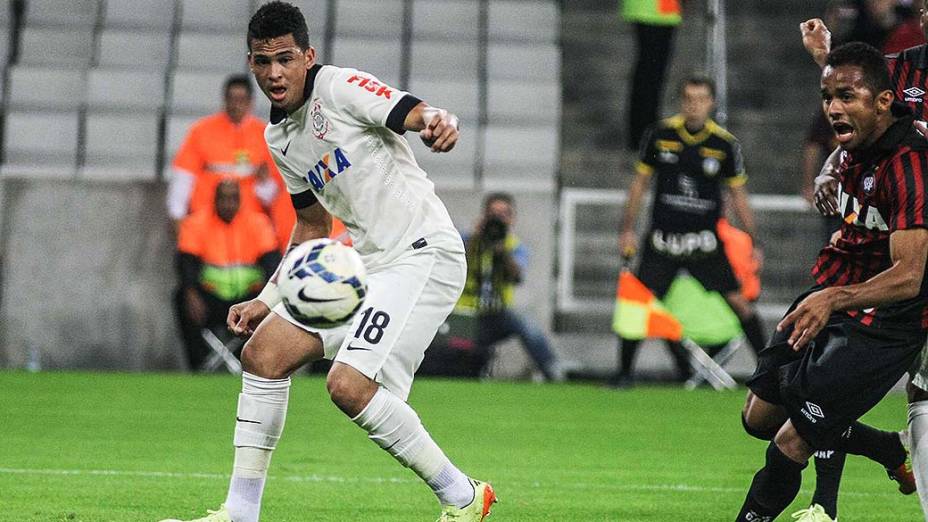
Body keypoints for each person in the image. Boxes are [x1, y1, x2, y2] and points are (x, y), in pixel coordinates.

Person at [159, 3, 496, 522]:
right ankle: (240, 513)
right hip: (366, 263)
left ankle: (465, 497)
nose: (274, 72)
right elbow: (312, 226)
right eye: (263, 61)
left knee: (348, 386)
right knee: (262, 355)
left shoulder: (339, 87)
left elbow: (412, 111)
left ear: (307, 56)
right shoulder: (278, 138)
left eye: (285, 59)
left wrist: (436, 120)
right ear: (251, 63)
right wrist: (267, 299)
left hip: (421, 253)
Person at [736, 41, 928, 522]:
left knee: (791, 440)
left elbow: (909, 276)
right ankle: (885, 448)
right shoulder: (853, 149)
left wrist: (834, 299)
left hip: (884, 321)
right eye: (827, 98)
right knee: (758, 419)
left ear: (882, 102)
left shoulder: (908, 164)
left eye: (846, 97)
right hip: (835, 294)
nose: (833, 109)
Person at [799, 13, 928, 520]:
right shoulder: (902, 73)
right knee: (917, 386)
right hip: (905, 244)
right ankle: (826, 502)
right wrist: (834, 168)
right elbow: (854, 98)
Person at [611, 74, 768, 387]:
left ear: (711, 103)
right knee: (639, 300)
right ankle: (624, 372)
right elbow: (640, 184)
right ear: (681, 102)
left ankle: (770, 372)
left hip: (704, 242)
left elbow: (738, 195)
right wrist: (627, 229)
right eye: (688, 99)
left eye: (701, 99)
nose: (694, 106)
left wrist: (755, 240)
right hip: (663, 240)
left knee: (738, 301)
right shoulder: (660, 134)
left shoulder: (723, 144)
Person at [167, 74, 296, 251]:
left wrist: (264, 182)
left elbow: (274, 194)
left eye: (241, 99)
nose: (236, 105)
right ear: (224, 100)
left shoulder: (267, 136)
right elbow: (183, 176)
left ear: (250, 102)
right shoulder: (201, 132)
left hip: (252, 227)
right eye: (232, 99)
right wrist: (178, 217)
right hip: (206, 222)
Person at [174, 179, 282, 370]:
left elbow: (273, 265)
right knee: (182, 297)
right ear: (214, 199)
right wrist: (190, 293)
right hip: (211, 300)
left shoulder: (258, 223)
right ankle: (199, 365)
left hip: (249, 299)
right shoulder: (196, 223)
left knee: (276, 299)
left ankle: (257, 363)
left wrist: (265, 300)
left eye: (233, 199)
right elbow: (186, 265)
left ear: (240, 200)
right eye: (224, 199)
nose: (228, 204)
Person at [456, 192, 564, 382]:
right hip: (462, 316)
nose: (498, 219)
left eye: (504, 214)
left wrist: (502, 252)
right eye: (493, 214)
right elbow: (451, 266)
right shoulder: (464, 240)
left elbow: (516, 277)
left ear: (512, 219)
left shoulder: (515, 247)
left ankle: (553, 371)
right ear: (484, 216)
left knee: (523, 320)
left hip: (494, 317)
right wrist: (475, 239)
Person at [622, 0, 683, 150]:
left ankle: (645, 132)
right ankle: (643, 134)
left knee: (652, 74)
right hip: (651, 9)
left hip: (662, 9)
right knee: (649, 73)